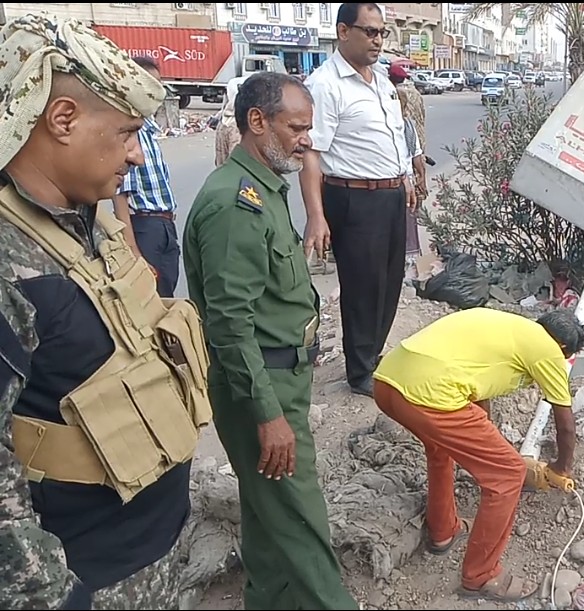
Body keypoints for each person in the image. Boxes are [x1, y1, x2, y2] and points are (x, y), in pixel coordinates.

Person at [0, 13, 214, 609]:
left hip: (158, 551)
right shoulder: (9, 261)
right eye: (124, 134)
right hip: (85, 582)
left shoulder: (90, 221)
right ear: (61, 119)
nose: (137, 157)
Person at [183, 71, 360, 611]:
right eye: (297, 127)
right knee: (304, 524)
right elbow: (229, 323)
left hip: (281, 378)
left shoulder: (263, 188)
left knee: (267, 513)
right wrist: (268, 415)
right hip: (262, 388)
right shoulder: (235, 205)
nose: (306, 139)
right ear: (256, 123)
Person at [372, 307, 584, 602]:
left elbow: (475, 379)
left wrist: (486, 443)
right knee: (508, 474)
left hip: (387, 382)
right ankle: (481, 576)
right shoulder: (548, 349)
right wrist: (562, 467)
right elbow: (565, 424)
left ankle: (443, 531)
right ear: (563, 347)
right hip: (430, 395)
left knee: (440, 449)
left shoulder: (509, 327)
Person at [300, 2, 420, 398]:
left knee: (389, 281)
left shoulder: (382, 80)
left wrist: (405, 177)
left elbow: (393, 135)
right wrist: (316, 216)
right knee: (363, 285)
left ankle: (372, 355)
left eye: (382, 33)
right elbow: (312, 154)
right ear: (342, 31)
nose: (378, 40)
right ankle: (359, 371)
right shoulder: (326, 85)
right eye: (369, 31)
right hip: (353, 198)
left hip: (389, 195)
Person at [110, 56, 181, 297]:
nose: (155, 92)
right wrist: (133, 250)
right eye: (149, 84)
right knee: (152, 297)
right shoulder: (129, 129)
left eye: (159, 85)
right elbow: (120, 195)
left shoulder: (148, 129)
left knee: (167, 291)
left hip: (165, 224)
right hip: (144, 226)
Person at [397, 85, 427, 281]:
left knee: (408, 222)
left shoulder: (407, 126)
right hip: (392, 180)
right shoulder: (385, 126)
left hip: (405, 180)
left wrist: (422, 177)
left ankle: (408, 264)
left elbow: (416, 153)